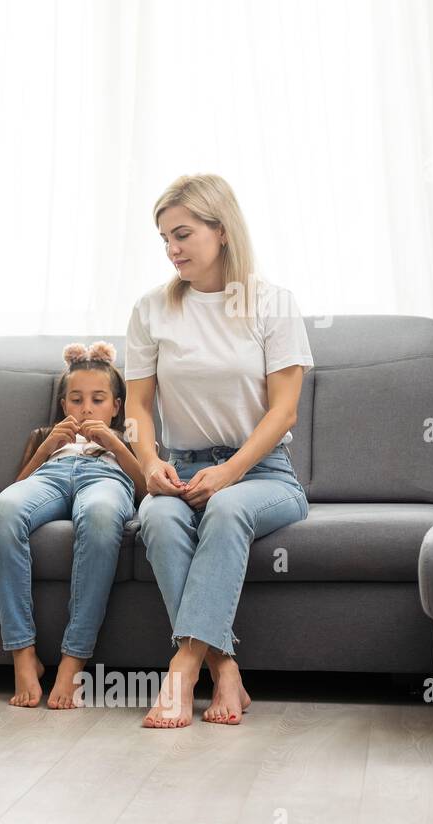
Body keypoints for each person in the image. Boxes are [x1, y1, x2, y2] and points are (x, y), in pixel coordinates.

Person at [125, 173, 313, 728]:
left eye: (182, 234)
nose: (172, 249)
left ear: (222, 229)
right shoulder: (152, 309)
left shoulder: (272, 304)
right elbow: (136, 407)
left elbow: (284, 411)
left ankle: (183, 670)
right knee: (156, 518)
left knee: (227, 507)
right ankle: (224, 666)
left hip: (263, 474)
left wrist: (229, 472)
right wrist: (149, 461)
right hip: (179, 469)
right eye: (164, 239)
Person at [0, 341, 146, 708]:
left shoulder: (126, 437)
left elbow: (147, 489)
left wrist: (115, 446)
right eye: (76, 399)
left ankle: (73, 661)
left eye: (98, 399)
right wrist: (45, 450)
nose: (86, 407)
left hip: (105, 478)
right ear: (63, 405)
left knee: (101, 518)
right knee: (1, 513)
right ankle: (24, 656)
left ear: (116, 406)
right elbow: (18, 487)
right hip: (51, 475)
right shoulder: (46, 437)